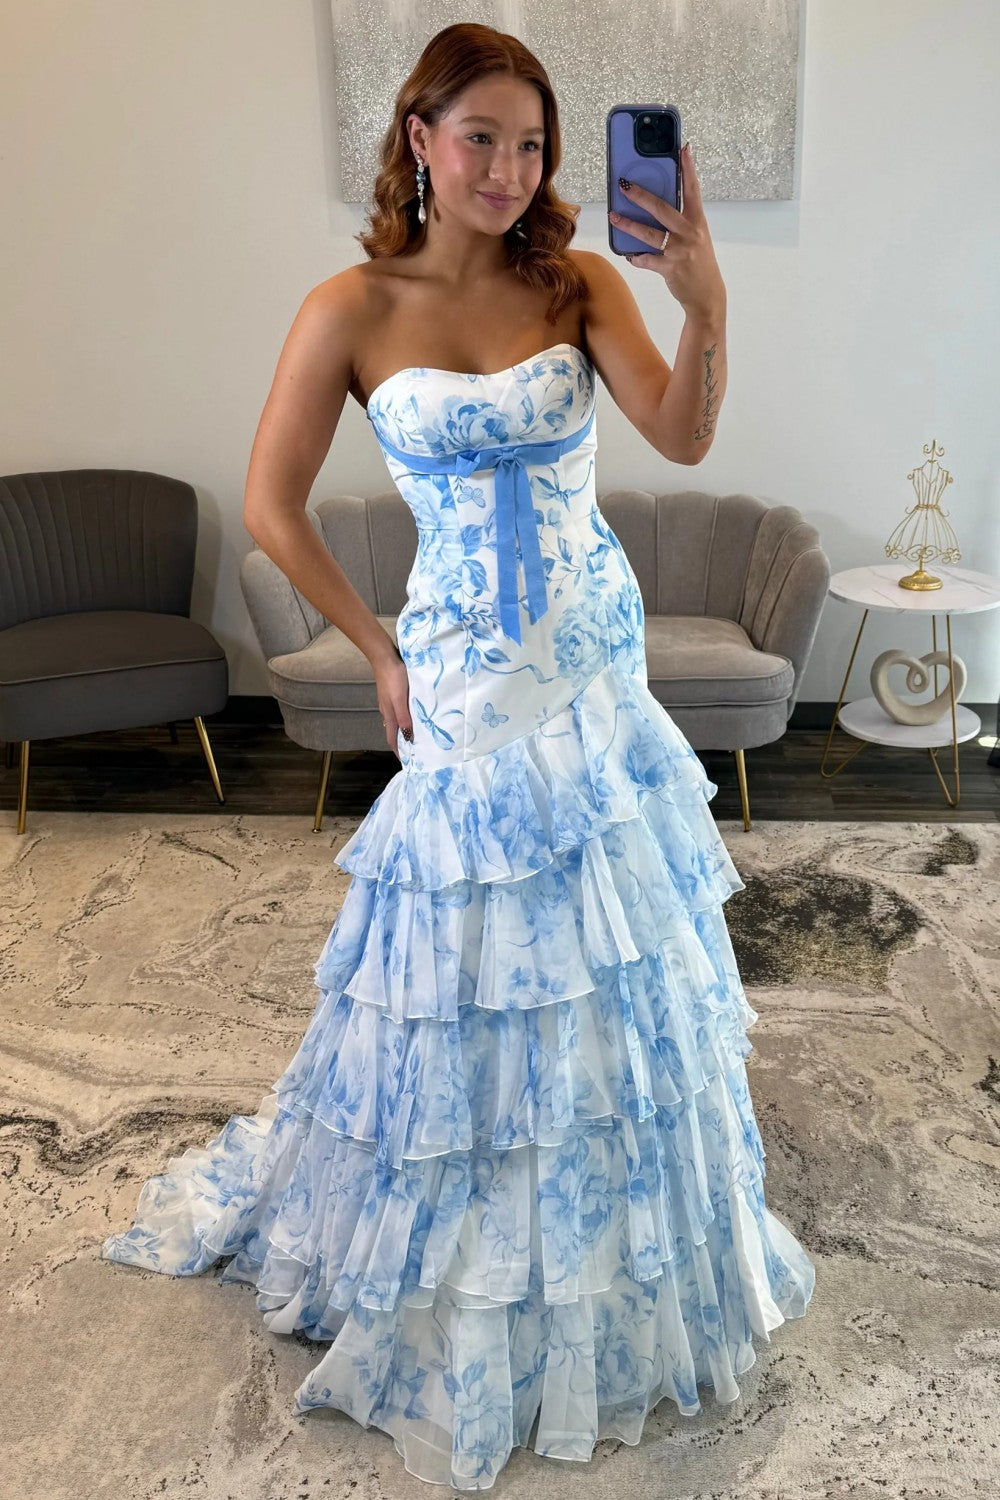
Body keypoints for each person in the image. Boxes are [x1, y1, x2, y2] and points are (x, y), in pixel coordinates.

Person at [102, 21, 815, 1490]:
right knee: (465, 967)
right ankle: (469, 1253)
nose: (509, 168)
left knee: (610, 966)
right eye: (481, 136)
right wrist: (375, 647)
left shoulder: (580, 282)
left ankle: (616, 1249)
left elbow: (681, 436)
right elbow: (272, 504)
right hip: (464, 683)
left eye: (532, 144)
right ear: (419, 137)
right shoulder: (350, 308)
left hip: (592, 672)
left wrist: (708, 304)